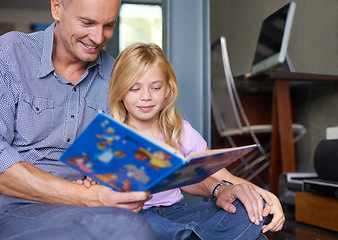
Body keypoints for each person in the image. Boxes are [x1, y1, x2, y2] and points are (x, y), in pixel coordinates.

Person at [0, 0, 156, 239]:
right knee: (127, 228)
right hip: (14, 208)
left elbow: (159, 134)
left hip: (88, 210)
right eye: (87, 22)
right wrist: (88, 197)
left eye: (108, 25)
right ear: (56, 8)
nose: (97, 37)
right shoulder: (11, 52)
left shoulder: (115, 75)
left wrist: (215, 184)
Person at [103, 42, 285, 239]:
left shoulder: (179, 130)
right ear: (120, 92)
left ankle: (193, 235)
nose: (146, 96)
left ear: (167, 90)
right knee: (142, 228)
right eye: (134, 88)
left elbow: (227, 178)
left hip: (179, 214)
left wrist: (266, 197)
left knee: (245, 208)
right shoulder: (109, 135)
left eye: (155, 87)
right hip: (137, 216)